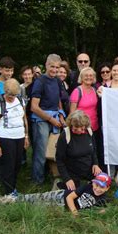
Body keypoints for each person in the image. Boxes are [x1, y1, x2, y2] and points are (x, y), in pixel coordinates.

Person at [0, 172, 112, 216]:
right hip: (62, 196)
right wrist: (74, 213)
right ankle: (12, 198)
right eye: (96, 185)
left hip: (62, 208)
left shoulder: (103, 199)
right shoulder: (88, 186)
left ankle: (17, 206)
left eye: (101, 187)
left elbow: (108, 206)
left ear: (107, 188)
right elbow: (70, 197)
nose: (97, 189)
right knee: (38, 197)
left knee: (37, 206)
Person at [0, 79, 29, 200]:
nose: (12, 97)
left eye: (15, 94)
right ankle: (9, 192)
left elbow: (24, 118)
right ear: (5, 91)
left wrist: (26, 135)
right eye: (10, 95)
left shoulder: (21, 100)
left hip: (19, 136)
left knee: (17, 164)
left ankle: (13, 188)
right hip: (5, 138)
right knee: (8, 165)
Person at [30, 54, 66, 184]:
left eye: (57, 67)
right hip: (41, 119)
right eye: (52, 67)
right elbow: (34, 107)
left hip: (55, 117)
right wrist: (51, 119)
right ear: (46, 65)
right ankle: (37, 181)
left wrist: (61, 115)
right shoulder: (40, 81)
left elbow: (58, 100)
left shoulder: (57, 80)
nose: (54, 70)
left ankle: (53, 175)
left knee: (53, 149)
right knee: (41, 151)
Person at [56, 110, 102, 190]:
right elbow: (59, 160)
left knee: (103, 185)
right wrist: (67, 179)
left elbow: (93, 150)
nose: (79, 131)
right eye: (75, 129)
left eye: (82, 129)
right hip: (72, 173)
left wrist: (96, 164)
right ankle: (61, 183)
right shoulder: (65, 135)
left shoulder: (89, 131)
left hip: (89, 170)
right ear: (71, 125)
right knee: (76, 194)